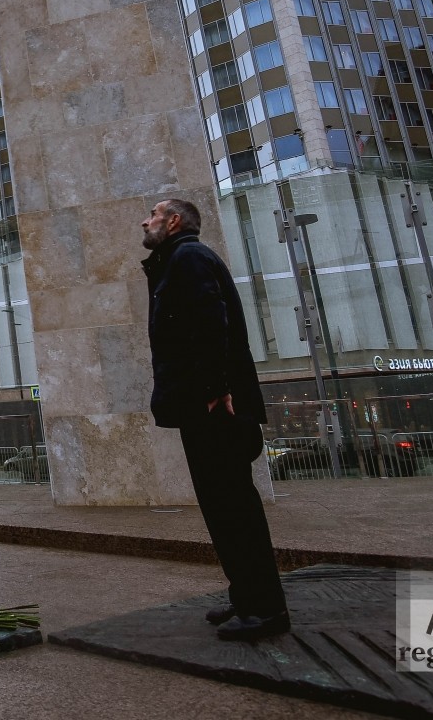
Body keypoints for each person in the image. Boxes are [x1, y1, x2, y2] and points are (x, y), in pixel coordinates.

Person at [141, 198, 289, 641]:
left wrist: (214, 389)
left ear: (174, 221)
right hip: (200, 405)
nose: (145, 221)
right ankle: (246, 596)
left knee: (234, 510)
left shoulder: (189, 257)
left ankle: (266, 609)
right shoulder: (177, 261)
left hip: (214, 408)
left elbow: (212, 322)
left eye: (153, 214)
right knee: (221, 510)